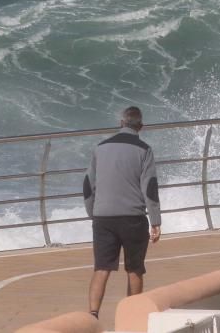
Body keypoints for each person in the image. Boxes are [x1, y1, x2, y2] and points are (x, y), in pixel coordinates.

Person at [83, 106, 161, 320]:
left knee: (101, 268)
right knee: (134, 269)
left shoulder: (100, 148)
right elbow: (150, 187)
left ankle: (93, 315)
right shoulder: (144, 150)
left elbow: (88, 185)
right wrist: (155, 221)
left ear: (121, 123)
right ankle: (132, 317)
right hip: (133, 218)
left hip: (103, 218)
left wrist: (94, 213)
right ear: (140, 127)